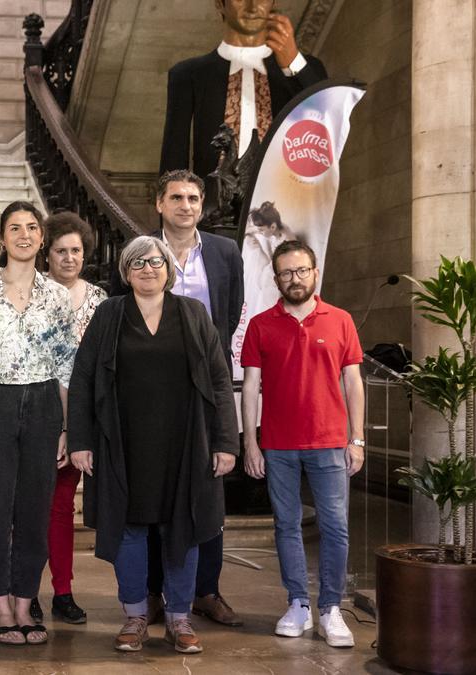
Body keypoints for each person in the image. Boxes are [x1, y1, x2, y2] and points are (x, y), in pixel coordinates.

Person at [68, 236, 239, 654]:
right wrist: (81, 440)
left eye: (156, 261)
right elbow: (84, 378)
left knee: (184, 528)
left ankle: (180, 619)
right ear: (126, 272)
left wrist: (225, 442)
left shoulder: (193, 313)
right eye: (138, 262)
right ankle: (135, 616)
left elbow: (219, 381)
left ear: (169, 269)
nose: (148, 268)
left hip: (185, 444)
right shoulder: (110, 313)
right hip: (122, 444)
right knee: (129, 529)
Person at [0, 202, 78, 646]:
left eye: (31, 228)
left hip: (45, 404)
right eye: (14, 228)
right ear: (2, 237)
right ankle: (1, 607)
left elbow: (67, 365)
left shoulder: (58, 297)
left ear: (42, 238)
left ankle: (26, 603)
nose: (24, 235)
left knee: (34, 510)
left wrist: (66, 426)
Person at [240, 240, 364, 648]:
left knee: (335, 527)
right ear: (276, 279)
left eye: (302, 271)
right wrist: (251, 444)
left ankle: (330, 608)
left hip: (330, 443)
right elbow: (252, 388)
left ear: (315, 272)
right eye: (286, 273)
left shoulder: (341, 320)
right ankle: (297, 603)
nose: (295, 279)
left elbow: (353, 384)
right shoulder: (260, 325)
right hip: (278, 444)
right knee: (286, 526)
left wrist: (357, 439)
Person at [146, 169, 246, 628]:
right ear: (159, 205)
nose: (185, 205)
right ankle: (151, 593)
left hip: (207, 387)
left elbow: (227, 316)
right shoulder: (142, 252)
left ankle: (206, 590)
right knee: (153, 490)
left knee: (209, 491)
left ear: (201, 205)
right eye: (176, 198)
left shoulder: (225, 252)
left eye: (193, 198)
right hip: (151, 390)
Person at [158, 0, 326, 208]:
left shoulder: (302, 70)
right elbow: (174, 158)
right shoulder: (188, 74)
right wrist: (170, 232)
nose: (253, 6)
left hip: (287, 212)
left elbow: (329, 126)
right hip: (212, 217)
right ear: (220, 4)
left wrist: (294, 63)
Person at [29, 212, 106, 626]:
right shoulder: (31, 294)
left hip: (80, 417)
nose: (70, 257)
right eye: (61, 250)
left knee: (61, 508)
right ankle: (27, 588)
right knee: (30, 508)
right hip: (36, 412)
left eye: (76, 250)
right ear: (47, 253)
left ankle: (62, 590)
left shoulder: (100, 300)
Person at [241, 201, 296, 316]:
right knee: (252, 241)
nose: (260, 232)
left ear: (272, 227)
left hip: (280, 273)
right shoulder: (275, 227)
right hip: (274, 264)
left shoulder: (286, 242)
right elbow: (256, 229)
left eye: (262, 230)